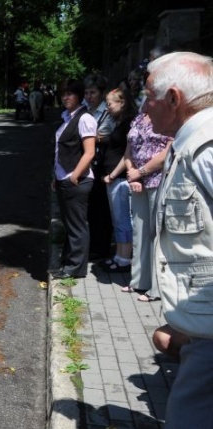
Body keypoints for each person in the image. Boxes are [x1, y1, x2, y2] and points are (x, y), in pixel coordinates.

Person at [142, 51, 213, 429]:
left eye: (148, 98)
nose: (143, 109)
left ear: (174, 97)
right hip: (203, 334)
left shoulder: (206, 148)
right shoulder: (193, 142)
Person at [111, 109, 172, 301]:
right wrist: (133, 174)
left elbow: (167, 152)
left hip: (158, 180)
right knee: (139, 231)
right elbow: (129, 150)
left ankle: (156, 288)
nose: (147, 96)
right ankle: (139, 280)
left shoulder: (168, 116)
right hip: (138, 181)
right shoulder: (138, 118)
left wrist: (142, 172)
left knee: (156, 233)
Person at [50, 79, 97, 280]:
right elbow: (60, 150)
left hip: (77, 180)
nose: (66, 97)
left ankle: (75, 268)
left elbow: (89, 153)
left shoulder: (85, 119)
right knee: (70, 225)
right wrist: (56, 176)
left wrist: (75, 176)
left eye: (70, 93)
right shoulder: (67, 118)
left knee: (77, 226)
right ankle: (69, 262)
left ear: (79, 96)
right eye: (63, 94)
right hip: (63, 178)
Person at [98, 88, 135, 272]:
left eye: (110, 103)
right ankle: (120, 255)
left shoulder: (129, 124)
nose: (108, 107)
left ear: (122, 103)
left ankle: (124, 259)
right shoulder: (121, 123)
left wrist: (112, 174)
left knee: (123, 221)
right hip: (113, 178)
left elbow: (128, 154)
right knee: (118, 220)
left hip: (119, 178)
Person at [84, 73, 113, 261]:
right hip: (89, 163)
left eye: (92, 92)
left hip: (102, 164)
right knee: (90, 207)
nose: (88, 96)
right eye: (86, 92)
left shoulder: (107, 112)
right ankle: (92, 245)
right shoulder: (86, 110)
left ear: (102, 93)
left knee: (101, 207)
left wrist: (88, 137)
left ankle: (102, 248)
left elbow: (106, 135)